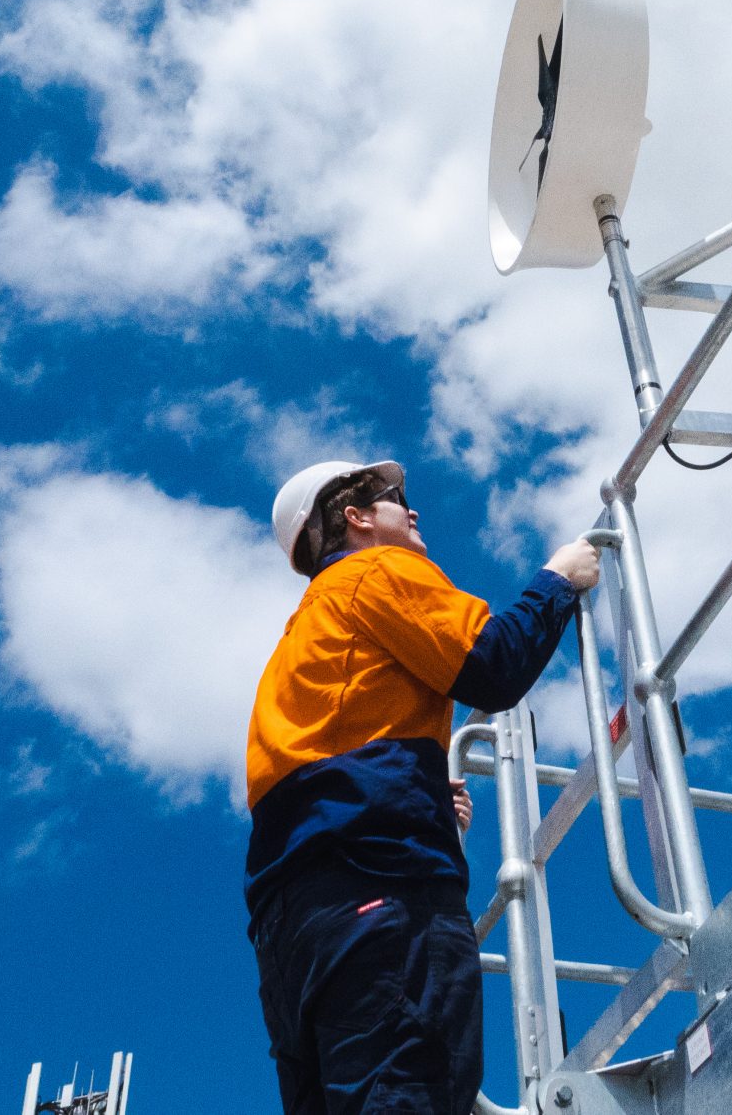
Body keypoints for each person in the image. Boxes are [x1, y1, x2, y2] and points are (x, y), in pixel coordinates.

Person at [245, 458, 599, 1115]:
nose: (412, 510)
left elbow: (328, 769)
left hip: (294, 933)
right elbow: (490, 668)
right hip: (382, 893)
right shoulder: (375, 570)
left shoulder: (301, 635)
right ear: (355, 518)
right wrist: (560, 580)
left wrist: (431, 803)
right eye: (395, 497)